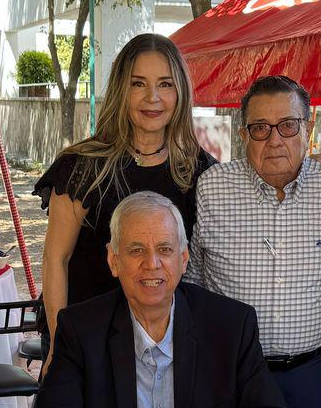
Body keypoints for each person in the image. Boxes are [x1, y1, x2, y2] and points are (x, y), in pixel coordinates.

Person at [33, 191, 291, 408]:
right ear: (113, 260)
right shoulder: (81, 326)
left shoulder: (230, 324)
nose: (152, 264)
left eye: (165, 250)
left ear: (184, 259)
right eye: (137, 250)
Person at [190, 75, 321, 408]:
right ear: (243, 135)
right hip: (232, 380)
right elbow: (193, 278)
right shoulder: (212, 188)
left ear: (308, 129)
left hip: (313, 377)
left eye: (288, 125)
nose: (274, 139)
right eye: (260, 128)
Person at [36, 34, 218, 339]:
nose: (152, 98)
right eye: (138, 84)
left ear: (181, 92)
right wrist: (58, 345)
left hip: (165, 345)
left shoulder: (199, 169)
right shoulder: (83, 165)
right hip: (86, 338)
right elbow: (57, 259)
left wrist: (310, 164)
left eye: (165, 84)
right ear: (121, 90)